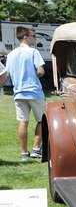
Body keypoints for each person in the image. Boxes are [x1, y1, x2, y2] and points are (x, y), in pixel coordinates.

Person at [3, 26, 46, 162]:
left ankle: (24, 154)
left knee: (23, 122)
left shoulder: (11, 55)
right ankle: (35, 149)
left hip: (18, 93)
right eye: (33, 35)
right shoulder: (33, 52)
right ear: (26, 37)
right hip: (34, 92)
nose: (35, 38)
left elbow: (7, 75)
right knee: (42, 121)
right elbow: (40, 71)